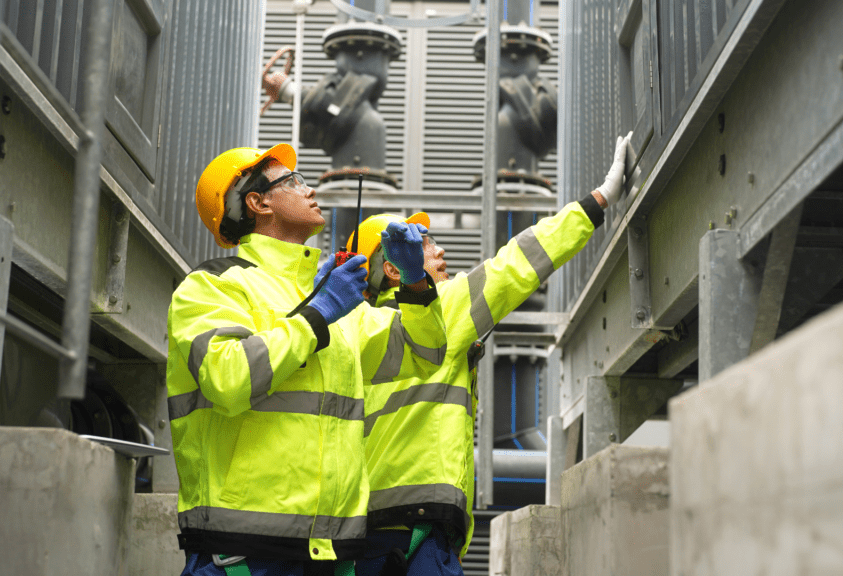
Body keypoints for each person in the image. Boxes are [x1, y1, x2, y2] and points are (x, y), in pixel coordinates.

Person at [353, 133, 634, 575]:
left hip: (364, 535)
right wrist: (598, 201)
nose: (441, 250)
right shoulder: (440, 308)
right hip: (421, 530)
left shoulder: (358, 327)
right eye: (423, 244)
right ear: (393, 266)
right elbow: (517, 264)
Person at [167, 143, 448, 576]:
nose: (310, 189)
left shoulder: (335, 297)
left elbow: (424, 353)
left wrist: (413, 283)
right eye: (293, 181)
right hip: (242, 555)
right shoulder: (214, 285)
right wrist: (317, 314)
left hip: (330, 554)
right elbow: (228, 377)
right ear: (258, 203)